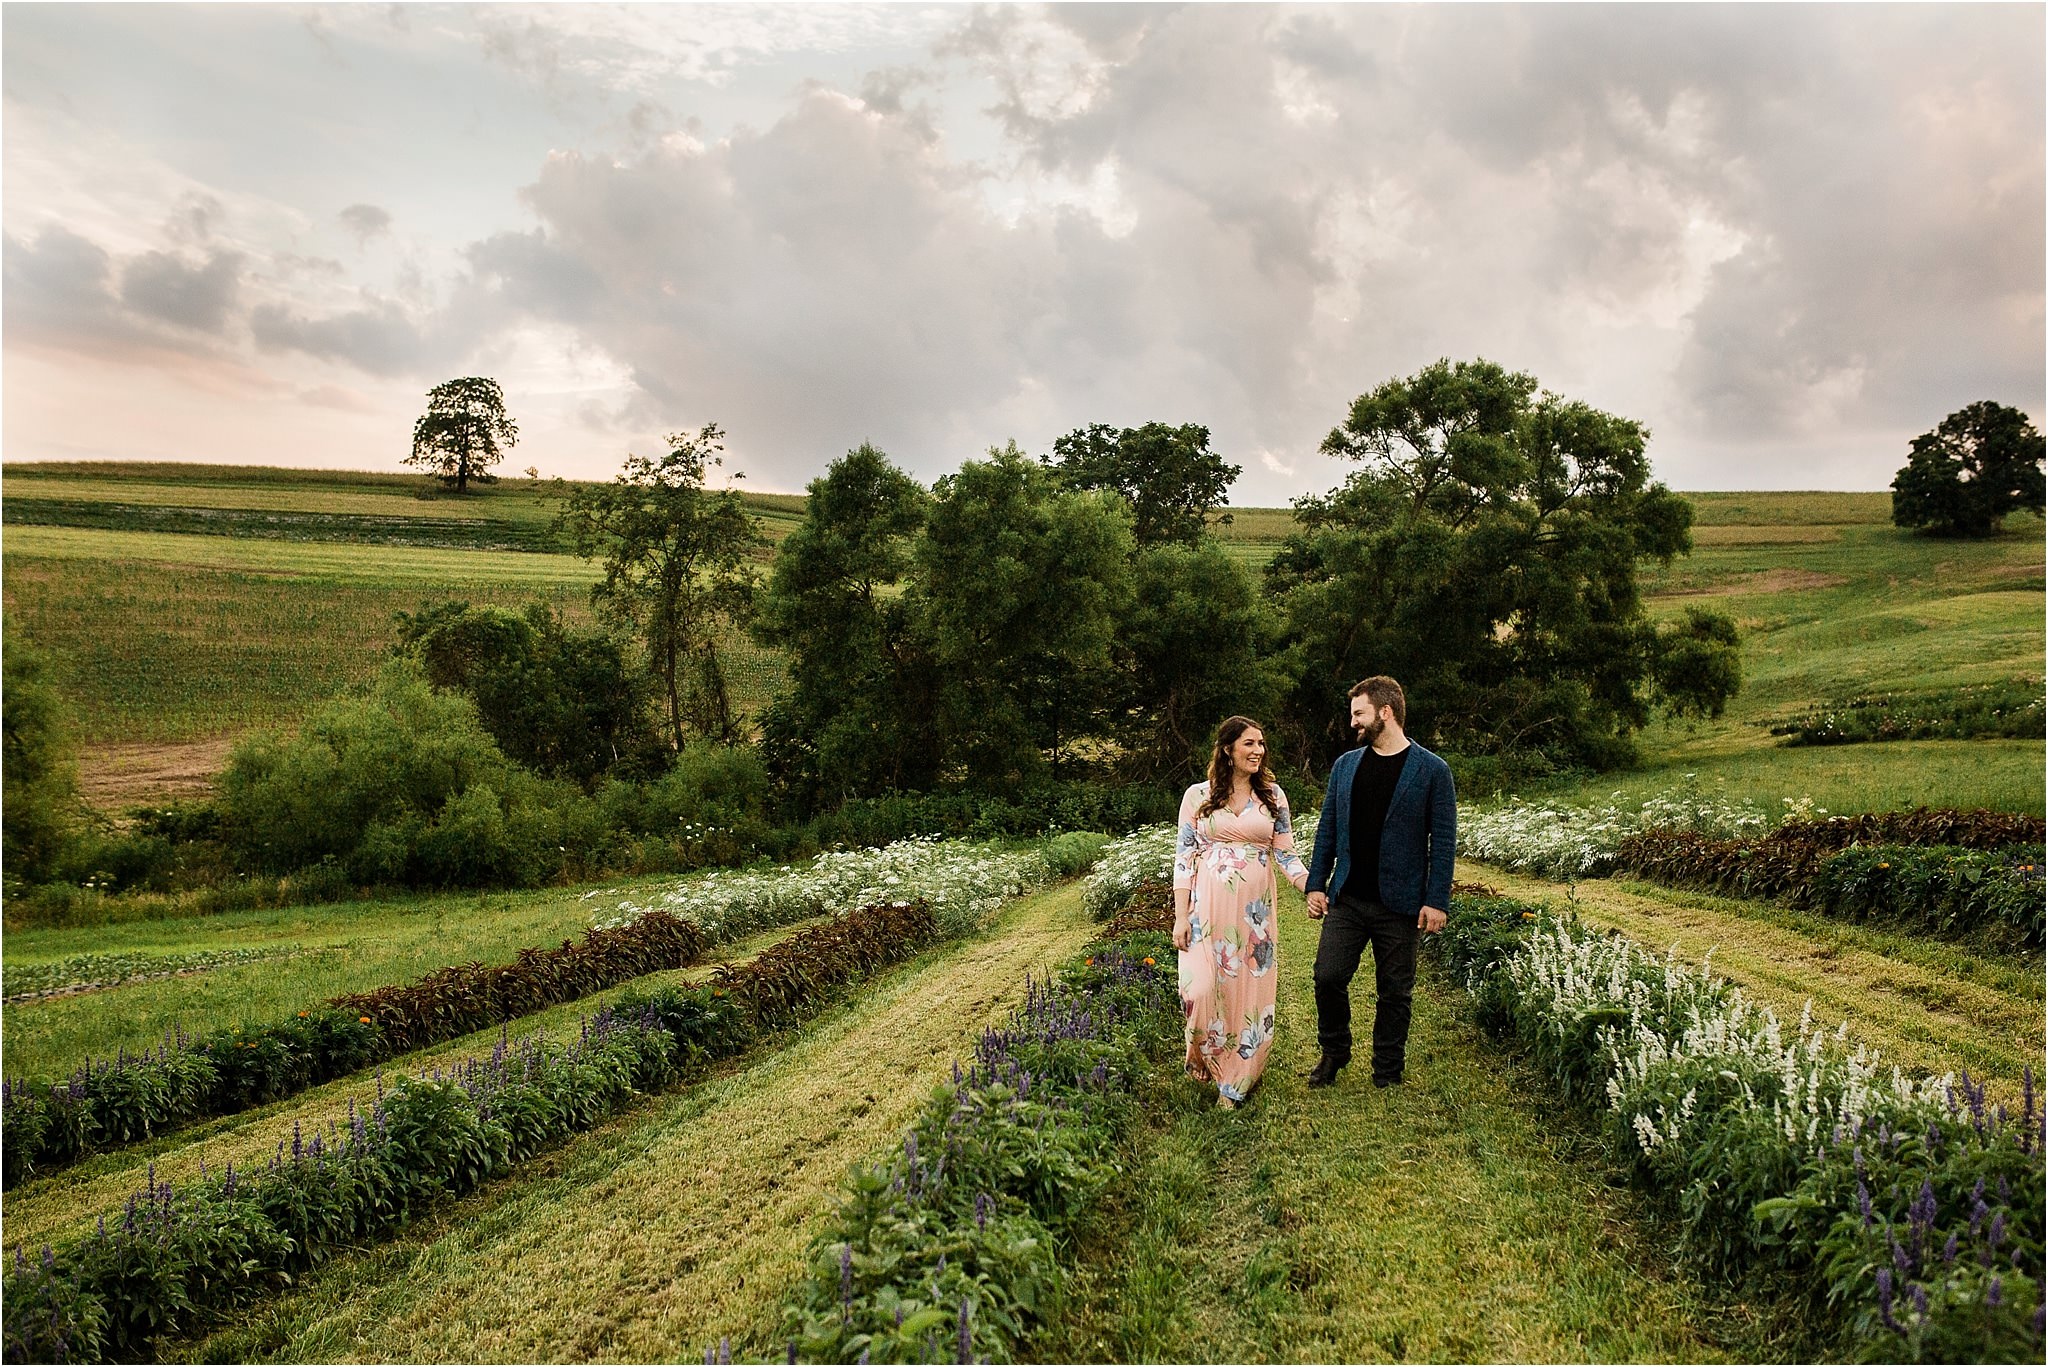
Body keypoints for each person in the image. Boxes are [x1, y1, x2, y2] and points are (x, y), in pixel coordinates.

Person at [1301, 676, 1456, 1089]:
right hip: (1348, 897)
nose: (1353, 723)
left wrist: (1436, 900)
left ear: (1385, 712)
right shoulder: (1345, 767)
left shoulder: (1433, 771)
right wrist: (1316, 884)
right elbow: (1327, 829)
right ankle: (1335, 1052)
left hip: (1400, 903)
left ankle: (1387, 1069)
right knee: (1328, 976)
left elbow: (1443, 842)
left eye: (1359, 714)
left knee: (1395, 992)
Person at [1173, 715, 1310, 1109]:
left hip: (1253, 918)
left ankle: (1235, 1081)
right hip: (1205, 912)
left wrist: (1312, 887)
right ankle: (1202, 1053)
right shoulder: (1197, 796)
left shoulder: (1272, 796)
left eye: (1261, 744)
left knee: (1246, 998)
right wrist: (1181, 917)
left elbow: (1286, 854)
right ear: (1228, 749)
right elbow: (1184, 858)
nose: (1258, 751)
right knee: (1197, 991)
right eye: (1249, 743)